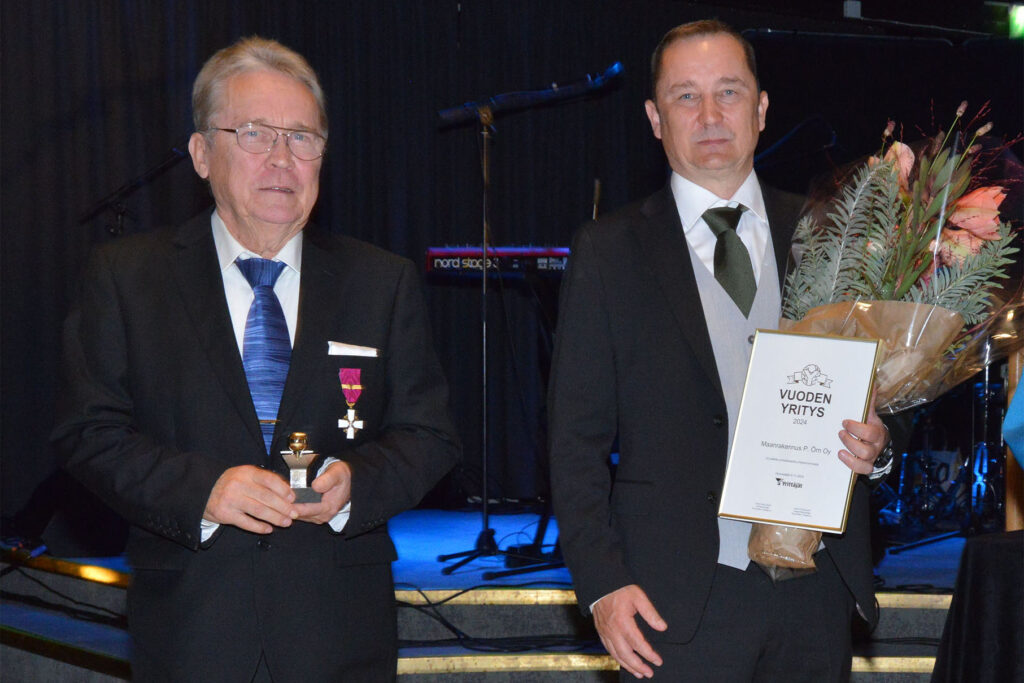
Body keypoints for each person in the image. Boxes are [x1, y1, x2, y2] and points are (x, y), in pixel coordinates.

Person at [53, 36, 459, 682]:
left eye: (302, 137)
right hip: (192, 633)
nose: (281, 158)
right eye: (254, 133)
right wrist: (204, 491)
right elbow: (88, 433)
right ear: (201, 153)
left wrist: (357, 483)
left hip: (339, 637)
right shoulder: (127, 278)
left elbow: (430, 434)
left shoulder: (381, 282)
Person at [548, 20, 892, 681]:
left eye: (728, 92)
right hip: (673, 601)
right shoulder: (608, 251)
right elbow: (573, 442)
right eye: (686, 96)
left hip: (816, 594)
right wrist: (601, 581)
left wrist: (881, 443)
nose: (710, 115)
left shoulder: (830, 232)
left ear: (761, 109)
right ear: (655, 119)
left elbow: (886, 393)